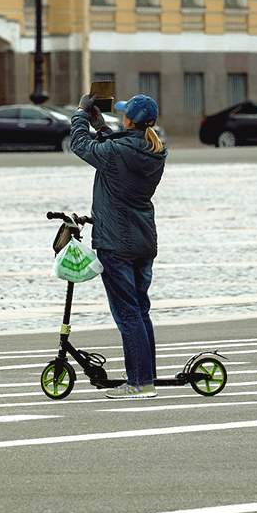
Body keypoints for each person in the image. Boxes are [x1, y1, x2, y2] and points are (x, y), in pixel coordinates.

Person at [68, 90, 168, 400]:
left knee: (128, 315)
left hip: (117, 242)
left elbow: (79, 145)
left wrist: (81, 116)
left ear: (130, 120)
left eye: (124, 113)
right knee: (140, 311)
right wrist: (102, 128)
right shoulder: (155, 149)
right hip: (143, 240)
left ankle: (139, 383)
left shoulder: (118, 153)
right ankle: (146, 376)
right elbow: (118, 148)